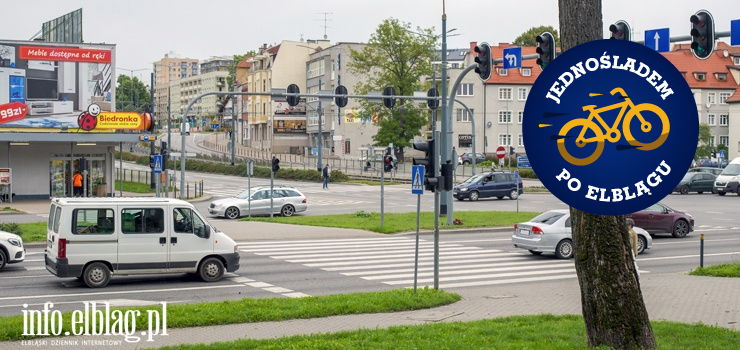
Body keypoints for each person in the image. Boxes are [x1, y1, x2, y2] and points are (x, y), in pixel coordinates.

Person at [627, 218, 640, 283]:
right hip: (633, 253)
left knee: (634, 269)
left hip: (632, 253)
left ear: (629, 226)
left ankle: (638, 280)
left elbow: (632, 244)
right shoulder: (632, 232)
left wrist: (634, 253)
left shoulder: (631, 233)